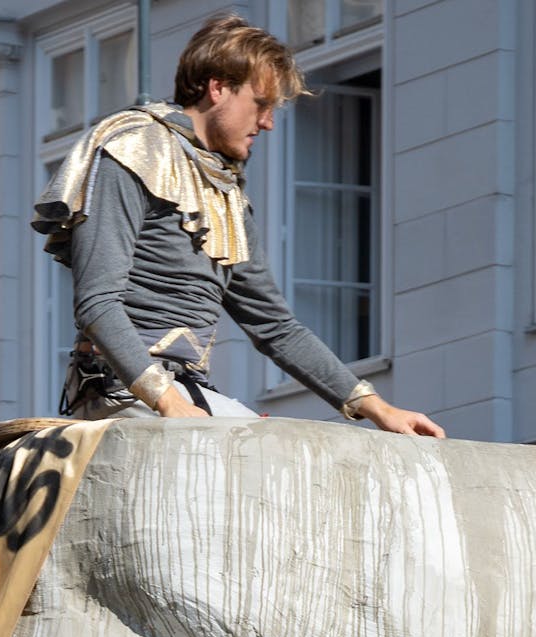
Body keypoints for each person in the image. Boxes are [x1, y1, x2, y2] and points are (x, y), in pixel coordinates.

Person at [32, 14, 444, 438]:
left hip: (185, 394)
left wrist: (377, 408)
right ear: (218, 88)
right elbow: (98, 303)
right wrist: (169, 402)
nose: (267, 122)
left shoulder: (225, 193)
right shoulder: (134, 150)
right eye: (261, 104)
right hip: (121, 393)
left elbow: (277, 328)